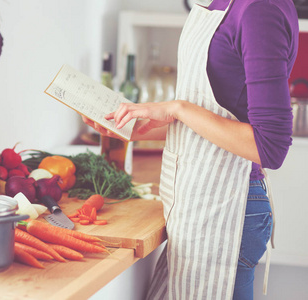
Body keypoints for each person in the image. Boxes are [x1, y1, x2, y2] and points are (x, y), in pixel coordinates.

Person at [83, 0, 299, 299]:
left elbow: (270, 147)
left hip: (229, 207)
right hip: (199, 204)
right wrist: (135, 126)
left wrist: (178, 108)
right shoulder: (221, 5)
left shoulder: (260, 9)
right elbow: (220, 111)